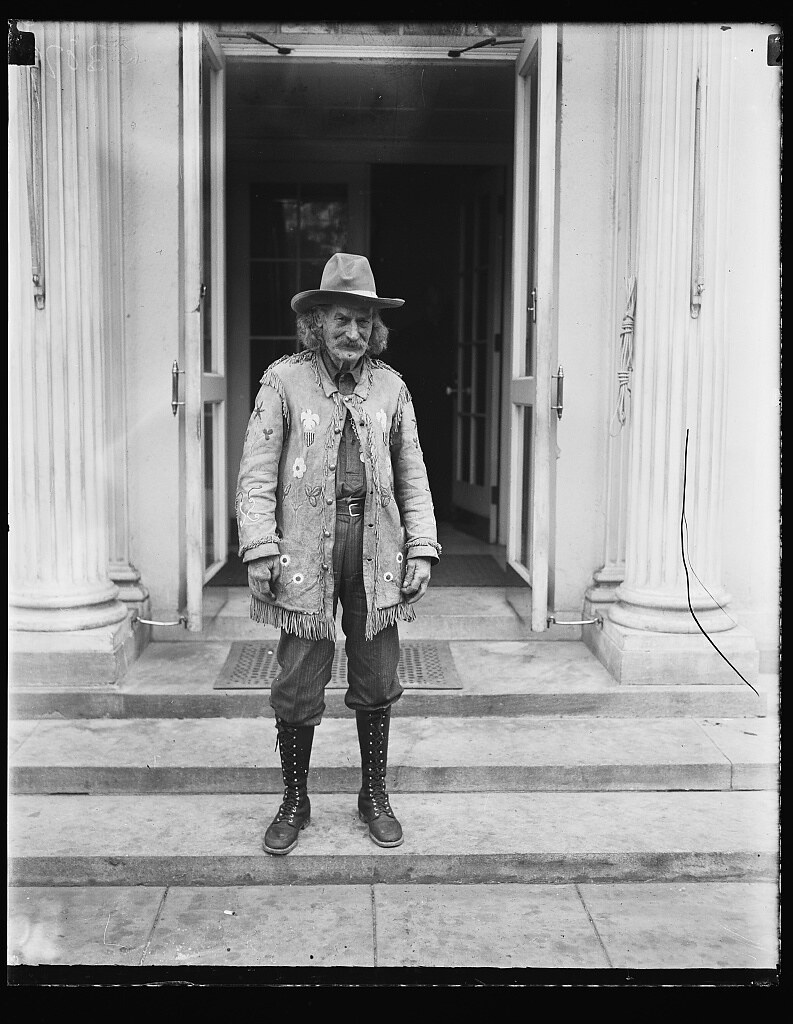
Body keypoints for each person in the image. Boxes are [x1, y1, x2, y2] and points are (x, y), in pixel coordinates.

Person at [236, 252, 441, 856]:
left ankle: (373, 795)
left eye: (362, 321)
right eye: (339, 320)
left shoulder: (391, 387)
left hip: (375, 551)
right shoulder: (284, 382)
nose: (351, 332)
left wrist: (421, 550)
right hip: (303, 550)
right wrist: (260, 548)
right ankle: (295, 800)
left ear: (374, 327)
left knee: (378, 676)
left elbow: (413, 476)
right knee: (299, 675)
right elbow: (256, 473)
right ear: (317, 322)